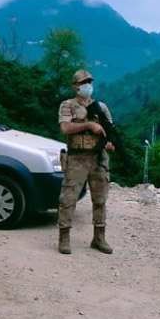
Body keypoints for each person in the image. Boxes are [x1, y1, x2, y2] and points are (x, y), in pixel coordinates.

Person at [57, 69, 114, 255]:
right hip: (77, 158)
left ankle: (99, 237)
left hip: (98, 158)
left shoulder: (101, 107)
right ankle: (64, 237)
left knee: (100, 199)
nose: (88, 85)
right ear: (75, 86)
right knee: (68, 199)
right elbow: (65, 128)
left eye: (89, 82)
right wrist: (88, 125)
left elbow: (109, 130)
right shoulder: (68, 105)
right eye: (84, 82)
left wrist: (110, 143)